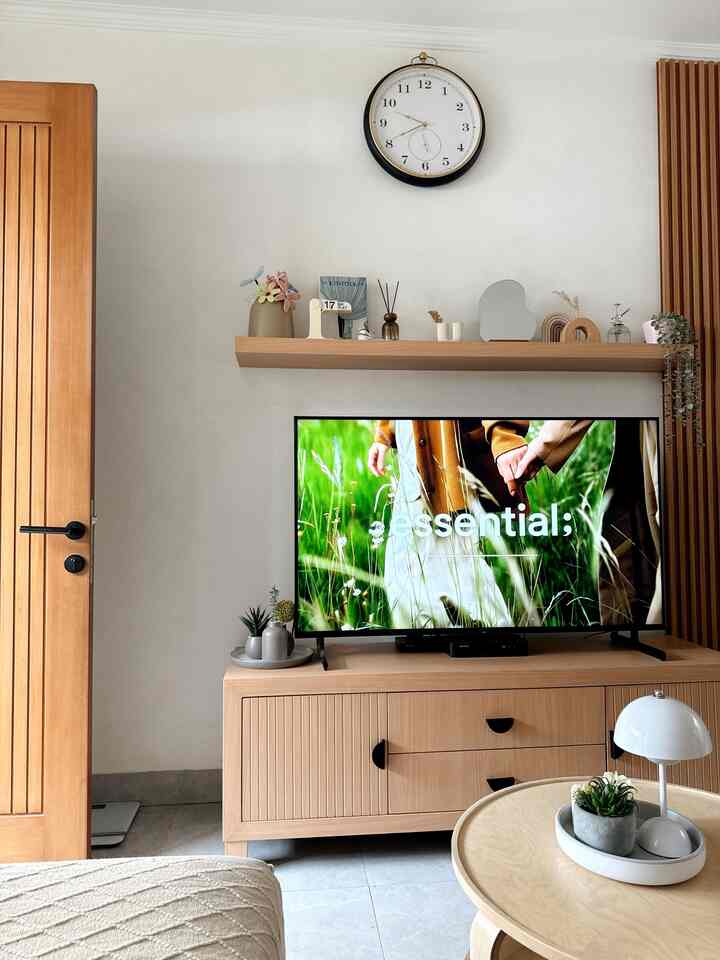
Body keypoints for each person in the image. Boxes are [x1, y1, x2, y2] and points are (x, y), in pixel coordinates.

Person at [367, 419, 533, 630]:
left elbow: (491, 388)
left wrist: (504, 437)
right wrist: (386, 432)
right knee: (404, 573)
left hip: (444, 451)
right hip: (413, 447)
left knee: (459, 569)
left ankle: (498, 640)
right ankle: (434, 651)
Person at [509, 418, 661, 626]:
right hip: (640, 425)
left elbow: (604, 385)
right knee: (629, 546)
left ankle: (660, 643)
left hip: (667, 425)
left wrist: (545, 443)